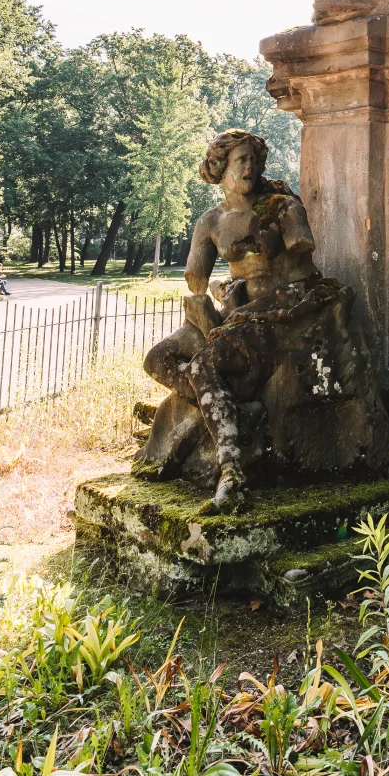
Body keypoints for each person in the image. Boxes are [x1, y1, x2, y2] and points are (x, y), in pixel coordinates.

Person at [142, 128, 348, 512]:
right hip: (236, 312)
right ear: (221, 167)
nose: (250, 167)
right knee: (157, 359)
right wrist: (210, 299)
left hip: (280, 311)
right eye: (241, 160)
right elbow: (196, 280)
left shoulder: (279, 207)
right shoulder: (210, 222)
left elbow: (301, 250)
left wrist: (284, 220)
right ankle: (232, 409)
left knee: (203, 365)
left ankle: (232, 472)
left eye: (255, 159)